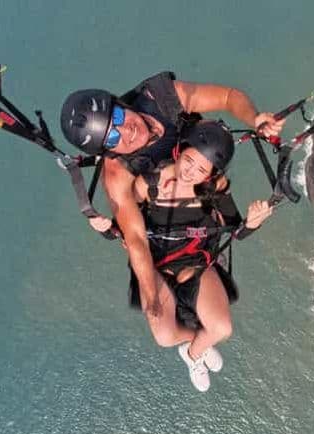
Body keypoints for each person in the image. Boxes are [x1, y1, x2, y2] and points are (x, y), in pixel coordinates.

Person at [60, 72, 285, 327]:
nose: (127, 130)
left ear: (121, 104)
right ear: (109, 151)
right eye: (113, 138)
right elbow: (135, 239)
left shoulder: (160, 98)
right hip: (164, 184)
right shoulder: (117, 172)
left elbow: (227, 96)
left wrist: (254, 119)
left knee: (212, 174)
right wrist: (151, 295)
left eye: (119, 117)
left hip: (194, 151)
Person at [88, 121, 273, 391]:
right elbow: (128, 227)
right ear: (179, 151)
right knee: (164, 336)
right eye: (189, 161)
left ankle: (193, 354)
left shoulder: (214, 188)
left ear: (211, 174)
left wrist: (254, 222)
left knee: (222, 329)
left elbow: (233, 229)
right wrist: (107, 230)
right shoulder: (148, 184)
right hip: (156, 266)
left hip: (196, 263)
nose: (191, 173)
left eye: (201, 170)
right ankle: (197, 342)